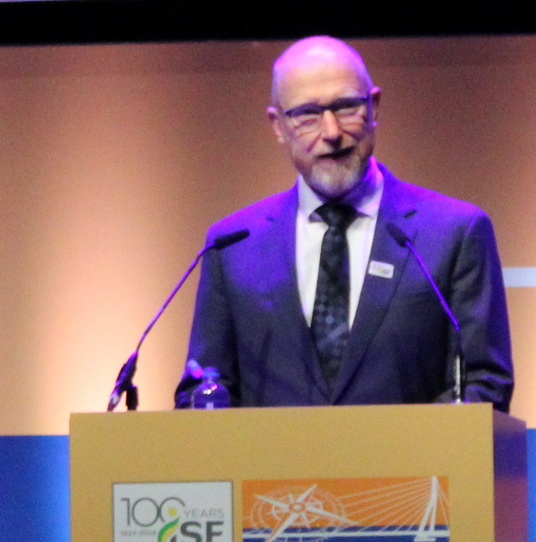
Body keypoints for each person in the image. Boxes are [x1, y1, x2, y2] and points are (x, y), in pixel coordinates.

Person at [174, 36, 513, 410]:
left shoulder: (455, 232)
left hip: (413, 452)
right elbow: (202, 388)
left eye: (347, 107)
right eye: (307, 114)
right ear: (278, 125)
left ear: (374, 106)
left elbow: (483, 385)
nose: (332, 132)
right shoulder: (233, 245)